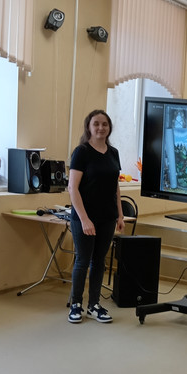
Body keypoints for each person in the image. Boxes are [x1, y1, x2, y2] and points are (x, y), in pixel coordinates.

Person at [67, 110, 124, 323]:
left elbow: (115, 187)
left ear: (109, 128)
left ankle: (94, 305)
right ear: (89, 127)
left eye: (104, 124)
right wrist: (84, 219)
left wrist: (120, 215)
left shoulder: (114, 153)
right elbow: (73, 188)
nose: (101, 128)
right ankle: (76, 304)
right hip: (84, 217)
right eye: (96, 124)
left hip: (107, 217)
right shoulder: (81, 152)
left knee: (99, 262)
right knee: (83, 260)